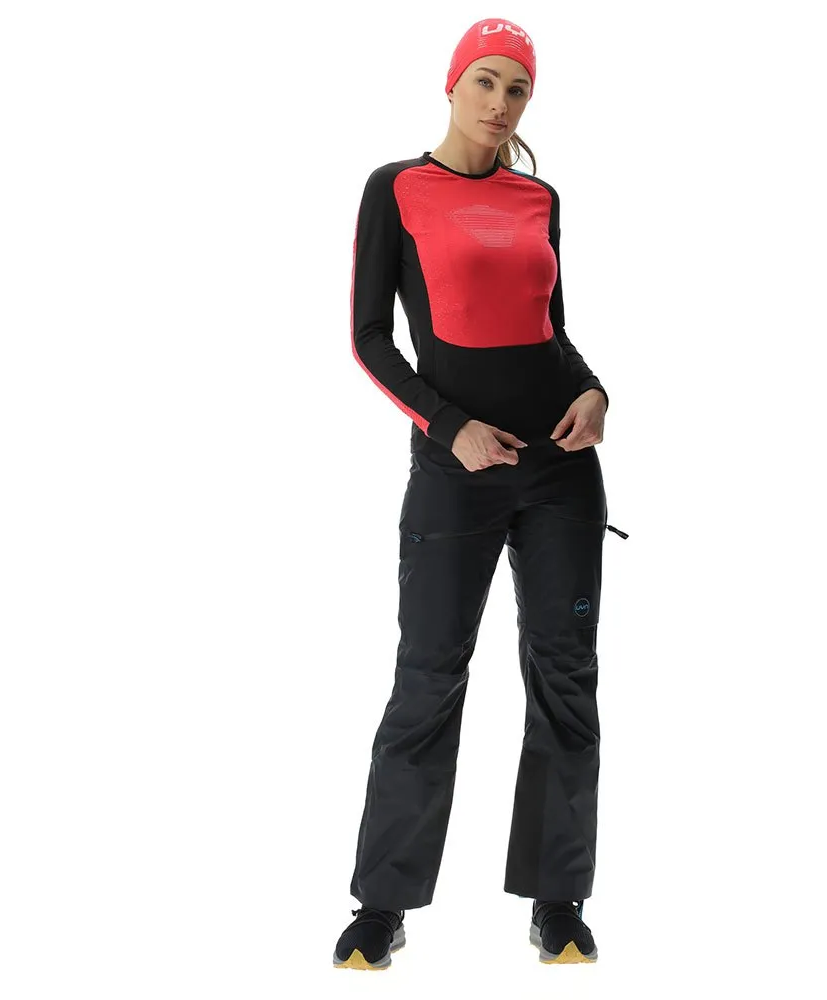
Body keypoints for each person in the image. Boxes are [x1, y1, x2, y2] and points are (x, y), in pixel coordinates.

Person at [334, 17, 627, 970]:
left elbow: (552, 328)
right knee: (428, 676)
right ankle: (381, 907)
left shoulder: (540, 197)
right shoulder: (395, 188)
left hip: (560, 471)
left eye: (518, 89)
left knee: (564, 675)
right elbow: (369, 339)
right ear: (453, 84)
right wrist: (447, 425)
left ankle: (559, 902)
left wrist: (595, 391)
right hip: (454, 475)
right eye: (486, 82)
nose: (501, 104)